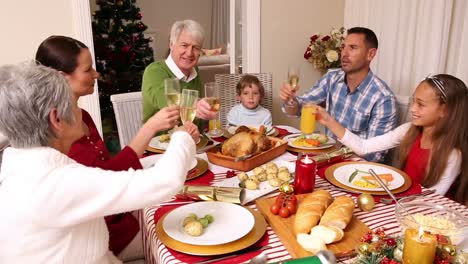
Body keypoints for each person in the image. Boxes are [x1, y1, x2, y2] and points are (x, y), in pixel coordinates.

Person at [0, 62, 195, 262]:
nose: (79, 109)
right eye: (73, 104)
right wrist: (182, 137)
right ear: (56, 118)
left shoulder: (22, 170)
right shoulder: (52, 184)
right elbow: (165, 181)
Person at [315, 74, 468, 204]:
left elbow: (431, 198)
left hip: (427, 212)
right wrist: (329, 120)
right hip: (403, 201)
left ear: (445, 110)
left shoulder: (453, 154)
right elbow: (363, 147)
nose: (413, 109)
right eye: (413, 101)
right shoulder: (410, 130)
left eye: (421, 104)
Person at [280, 27, 397, 162]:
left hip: (354, 168)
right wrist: (290, 100)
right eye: (343, 47)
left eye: (352, 48)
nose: (344, 54)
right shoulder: (332, 78)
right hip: (327, 158)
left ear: (370, 54)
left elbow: (374, 156)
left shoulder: (383, 98)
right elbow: (298, 109)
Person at [141, 19, 216, 131]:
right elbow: (168, 103)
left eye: (195, 48)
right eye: (184, 45)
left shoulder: (194, 70)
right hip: (160, 144)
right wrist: (196, 106)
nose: (190, 53)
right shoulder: (154, 71)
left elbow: (198, 122)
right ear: (171, 44)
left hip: (192, 142)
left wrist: (205, 112)